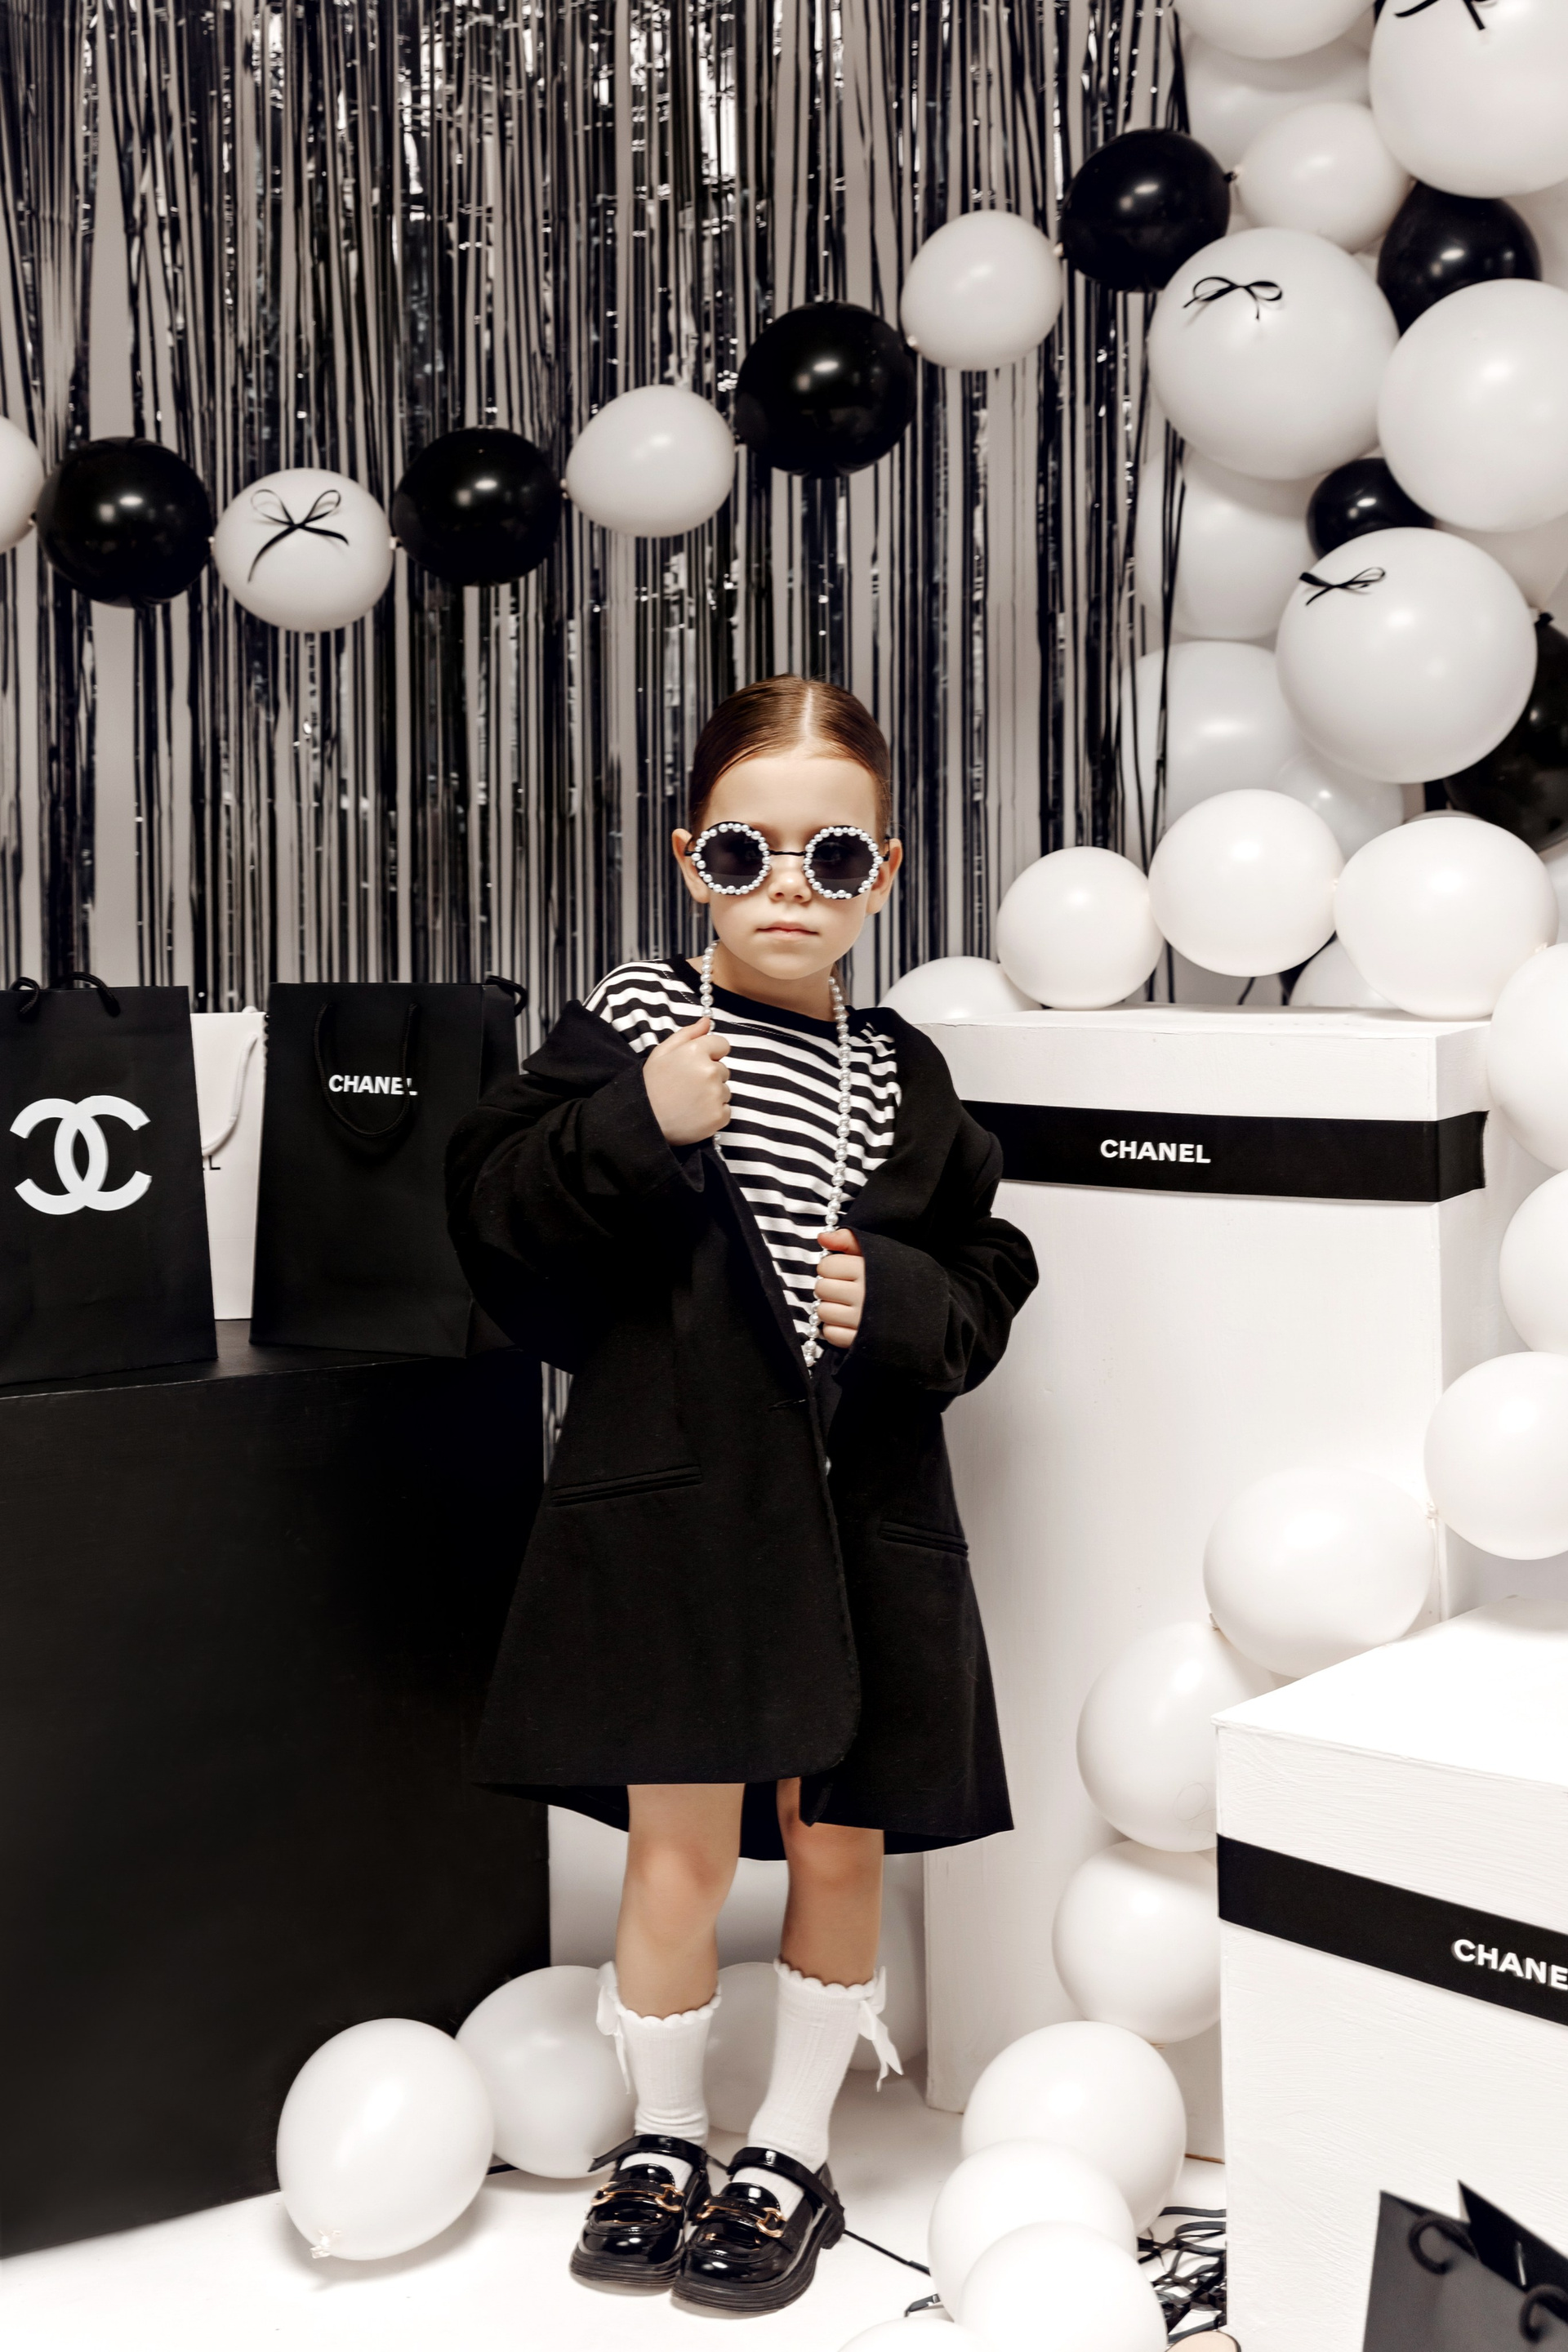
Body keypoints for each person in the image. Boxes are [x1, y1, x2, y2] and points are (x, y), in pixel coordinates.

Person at [447, 675, 1037, 2317]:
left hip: (858, 1518)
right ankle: (662, 2137)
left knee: (837, 1840)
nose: (790, 887)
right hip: (683, 1512)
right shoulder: (639, 1020)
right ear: (688, 859)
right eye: (744, 851)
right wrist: (635, 1123)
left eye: (833, 856)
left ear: (887, 873)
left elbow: (990, 1262)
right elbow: (490, 1205)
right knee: (678, 1845)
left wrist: (896, 1302)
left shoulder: (903, 1073)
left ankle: (791, 2145)